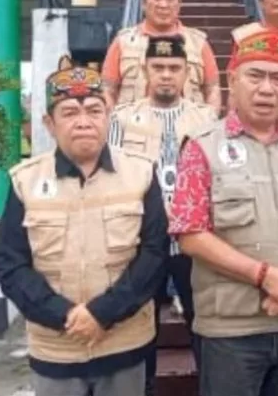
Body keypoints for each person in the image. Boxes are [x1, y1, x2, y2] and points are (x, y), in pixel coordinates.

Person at [168, 29, 278, 396]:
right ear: (232, 81)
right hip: (232, 330)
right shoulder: (202, 148)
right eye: (256, 76)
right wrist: (265, 276)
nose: (267, 89)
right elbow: (189, 231)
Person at [0, 57, 169, 396]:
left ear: (108, 115)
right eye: (70, 113)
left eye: (94, 110)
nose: (84, 122)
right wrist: (64, 315)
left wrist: (102, 313)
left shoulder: (142, 173)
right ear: (49, 122)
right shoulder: (25, 182)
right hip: (55, 349)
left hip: (125, 345)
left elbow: (154, 254)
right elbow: (10, 263)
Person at [108, 35, 217, 395]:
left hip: (195, 242)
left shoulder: (207, 118)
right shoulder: (122, 119)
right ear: (145, 71)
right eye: (158, 67)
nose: (166, 75)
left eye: (174, 68)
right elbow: (112, 179)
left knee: (205, 324)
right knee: (140, 327)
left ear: (187, 72)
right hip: (144, 242)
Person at [101, 0, 222, 113]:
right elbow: (108, 90)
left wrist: (208, 120)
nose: (163, 4)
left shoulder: (198, 42)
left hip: (190, 130)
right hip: (134, 130)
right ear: (144, 2)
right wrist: (115, 124)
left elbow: (212, 89)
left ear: (179, 3)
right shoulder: (123, 42)